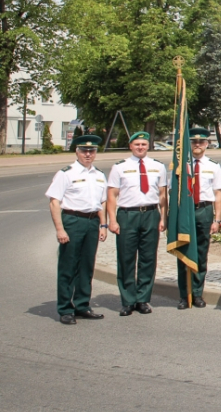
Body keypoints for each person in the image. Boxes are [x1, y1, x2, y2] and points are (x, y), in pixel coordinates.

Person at [47, 134, 109, 324]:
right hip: (73, 220)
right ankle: (65, 308)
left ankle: (82, 305)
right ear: (77, 151)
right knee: (68, 266)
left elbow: (103, 201)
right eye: (84, 151)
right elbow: (54, 202)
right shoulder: (66, 173)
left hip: (92, 222)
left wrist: (103, 224)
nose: (88, 154)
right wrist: (60, 229)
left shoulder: (99, 175)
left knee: (86, 266)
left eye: (92, 151)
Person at [107, 131, 168, 316]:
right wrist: (112, 219)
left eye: (143, 144)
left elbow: (163, 194)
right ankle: (127, 300)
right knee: (126, 258)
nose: (140, 147)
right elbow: (111, 194)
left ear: (148, 146)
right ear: (130, 146)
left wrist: (163, 217)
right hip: (127, 215)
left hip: (150, 214)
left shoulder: (158, 166)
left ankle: (143, 299)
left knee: (148, 258)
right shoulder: (120, 167)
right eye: (137, 144)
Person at [177, 127, 221, 310]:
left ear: (207, 144)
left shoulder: (213, 166)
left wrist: (217, 219)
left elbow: (218, 194)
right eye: (194, 142)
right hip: (186, 211)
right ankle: (184, 294)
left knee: (201, 253)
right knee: (183, 251)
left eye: (201, 142)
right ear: (189, 145)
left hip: (204, 210)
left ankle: (197, 293)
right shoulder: (182, 165)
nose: (197, 145)